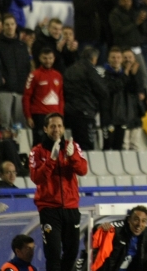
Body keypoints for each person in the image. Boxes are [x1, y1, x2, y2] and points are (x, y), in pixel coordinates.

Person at [29, 113, 88, 271]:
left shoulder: (72, 147)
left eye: (59, 126)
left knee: (71, 253)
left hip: (71, 207)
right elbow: (36, 178)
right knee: (53, 253)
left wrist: (72, 156)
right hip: (49, 209)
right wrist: (52, 160)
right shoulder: (37, 151)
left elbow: (83, 170)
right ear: (45, 128)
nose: (56, 129)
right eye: (53, 126)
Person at [63, 46, 109, 150]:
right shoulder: (90, 70)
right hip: (85, 112)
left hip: (69, 112)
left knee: (73, 146)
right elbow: (102, 90)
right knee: (86, 146)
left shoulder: (69, 69)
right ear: (94, 58)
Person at [0, 14, 31, 129]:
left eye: (12, 24)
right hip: (5, 90)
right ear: (3, 27)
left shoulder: (22, 46)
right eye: (7, 24)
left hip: (21, 90)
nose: (10, 27)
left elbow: (27, 67)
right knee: (5, 123)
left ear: (16, 26)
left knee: (21, 124)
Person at [23, 47, 64, 147]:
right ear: (40, 58)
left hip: (55, 115)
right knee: (39, 145)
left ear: (54, 58)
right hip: (39, 116)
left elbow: (61, 97)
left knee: (58, 145)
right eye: (45, 58)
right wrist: (28, 116)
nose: (48, 61)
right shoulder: (34, 75)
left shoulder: (58, 75)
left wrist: (61, 116)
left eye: (50, 58)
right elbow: (26, 97)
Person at [91, 205, 147, 271]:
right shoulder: (117, 230)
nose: (139, 224)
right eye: (136, 219)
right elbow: (96, 230)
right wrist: (98, 227)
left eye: (143, 221)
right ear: (129, 220)